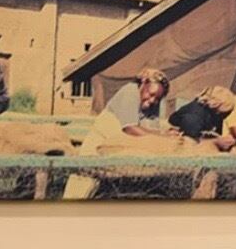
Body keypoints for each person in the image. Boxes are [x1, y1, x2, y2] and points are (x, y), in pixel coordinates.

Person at [64, 68, 173, 199]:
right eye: (151, 94)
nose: (152, 100)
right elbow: (130, 128)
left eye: (157, 99)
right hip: (97, 148)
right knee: (81, 188)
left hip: (115, 153)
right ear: (143, 83)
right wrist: (163, 137)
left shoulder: (152, 105)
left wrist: (164, 135)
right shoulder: (130, 92)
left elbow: (151, 131)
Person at [168, 86, 235, 141]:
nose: (226, 116)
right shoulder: (195, 116)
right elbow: (189, 142)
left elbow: (216, 133)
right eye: (225, 114)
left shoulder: (214, 115)